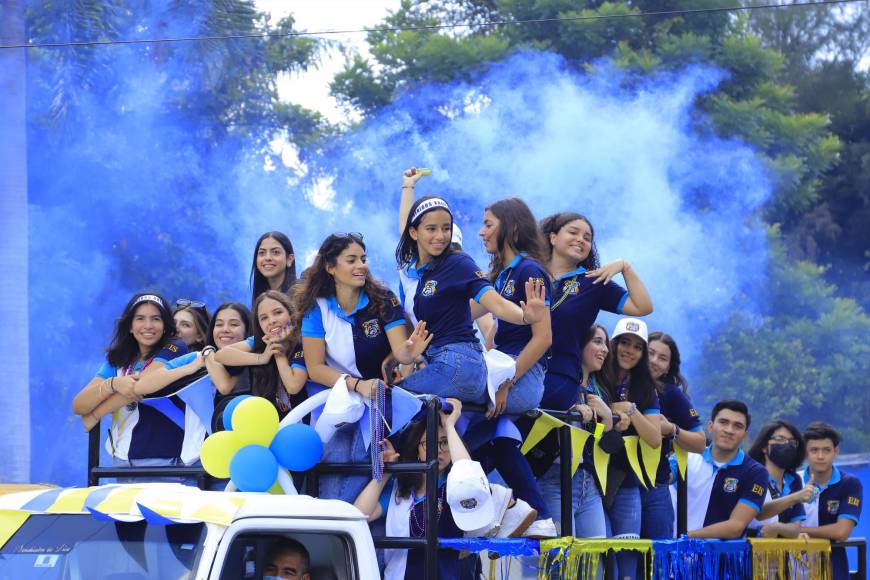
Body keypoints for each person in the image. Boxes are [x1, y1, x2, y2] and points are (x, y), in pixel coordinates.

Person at [294, 232, 431, 502]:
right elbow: (315, 368)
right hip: (333, 403)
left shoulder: (383, 299)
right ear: (330, 267)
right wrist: (356, 385)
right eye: (352, 260)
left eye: (364, 259)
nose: (361, 265)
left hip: (377, 403)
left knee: (363, 469)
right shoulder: (315, 308)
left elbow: (400, 352)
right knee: (332, 472)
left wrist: (409, 352)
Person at [394, 172, 547, 404]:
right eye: (431, 229)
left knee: (387, 402)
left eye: (446, 229)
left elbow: (495, 303)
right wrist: (408, 187)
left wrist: (525, 317)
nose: (441, 237)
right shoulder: (419, 270)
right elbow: (406, 227)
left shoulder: (458, 263)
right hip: (451, 365)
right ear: (415, 234)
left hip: (458, 364)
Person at [354, 399, 532, 580]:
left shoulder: (457, 485)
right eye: (428, 443)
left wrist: (450, 426)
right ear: (417, 448)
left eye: (445, 443)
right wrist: (385, 474)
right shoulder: (400, 489)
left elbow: (468, 473)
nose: (438, 450)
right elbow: (359, 514)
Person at [538, 211, 652, 411]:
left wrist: (624, 267)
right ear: (553, 237)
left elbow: (643, 306)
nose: (580, 240)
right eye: (573, 232)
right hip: (518, 366)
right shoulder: (530, 272)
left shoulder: (594, 282)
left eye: (587, 238)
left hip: (558, 376)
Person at [72, 292, 189, 472]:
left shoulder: (175, 347)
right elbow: (79, 406)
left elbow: (141, 386)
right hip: (121, 461)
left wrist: (95, 414)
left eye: (156, 319)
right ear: (130, 326)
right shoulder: (118, 359)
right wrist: (112, 383)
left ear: (165, 325)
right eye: (140, 318)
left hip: (167, 463)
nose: (148, 326)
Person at [539, 324, 615, 540]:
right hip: (554, 480)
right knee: (561, 564)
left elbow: (609, 449)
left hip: (589, 484)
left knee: (593, 565)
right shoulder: (555, 385)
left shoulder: (599, 393)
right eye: (598, 342)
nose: (605, 350)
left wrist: (607, 418)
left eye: (606, 344)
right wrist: (567, 412)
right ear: (578, 344)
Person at [602, 318, 662, 579]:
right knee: (599, 556)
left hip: (626, 481)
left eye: (638, 347)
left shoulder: (646, 388)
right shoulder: (597, 375)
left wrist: (630, 410)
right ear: (613, 345)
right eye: (624, 343)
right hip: (591, 478)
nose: (629, 350)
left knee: (627, 559)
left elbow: (655, 438)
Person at [642, 332, 706, 539]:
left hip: (655, 487)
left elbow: (700, 443)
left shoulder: (671, 394)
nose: (654, 361)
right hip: (617, 484)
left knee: (658, 557)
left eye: (662, 358)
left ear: (669, 367)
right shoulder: (614, 382)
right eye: (650, 353)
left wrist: (672, 429)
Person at [214, 290, 308, 418]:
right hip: (268, 421)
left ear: (291, 314)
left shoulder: (303, 342)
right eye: (264, 318)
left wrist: (278, 352)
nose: (272, 321)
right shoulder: (259, 341)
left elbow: (293, 386)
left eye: (278, 312)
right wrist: (261, 357)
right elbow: (221, 355)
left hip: (304, 421)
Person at [684, 400, 768, 539]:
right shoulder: (686, 458)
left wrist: (684, 538)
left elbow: (736, 526)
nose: (729, 430)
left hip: (722, 557)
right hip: (673, 554)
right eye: (723, 422)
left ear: (745, 436)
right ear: (710, 426)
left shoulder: (755, 472)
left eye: (738, 426)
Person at [800, 422, 863, 580]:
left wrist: (797, 532)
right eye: (814, 450)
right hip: (793, 568)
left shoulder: (850, 483)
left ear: (836, 452)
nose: (820, 456)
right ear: (806, 453)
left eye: (826, 450)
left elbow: (842, 532)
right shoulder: (793, 480)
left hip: (834, 570)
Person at [746, 419, 812, 538]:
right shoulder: (751, 474)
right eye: (780, 439)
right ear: (764, 447)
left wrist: (777, 527)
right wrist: (795, 497)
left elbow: (795, 529)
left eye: (792, 442)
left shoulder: (794, 480)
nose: (786, 445)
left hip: (779, 553)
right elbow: (757, 513)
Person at [250, 231, 297, 306]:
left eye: (276, 252)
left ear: (289, 259)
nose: (268, 258)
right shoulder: (259, 302)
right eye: (262, 253)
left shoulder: (302, 299)